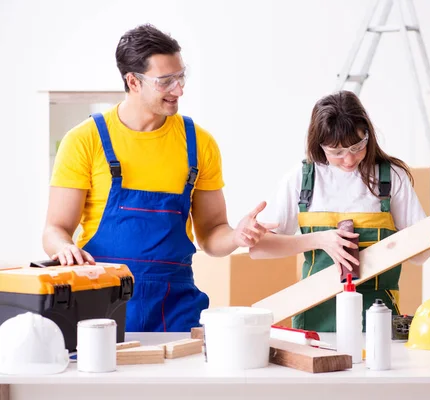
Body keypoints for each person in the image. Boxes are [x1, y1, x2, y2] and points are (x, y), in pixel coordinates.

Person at [42, 24, 276, 333]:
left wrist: (236, 236)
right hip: (100, 305)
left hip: (175, 306)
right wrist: (63, 247)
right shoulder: (85, 140)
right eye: (166, 81)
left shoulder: (199, 144)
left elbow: (211, 234)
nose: (179, 89)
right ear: (133, 82)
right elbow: (54, 230)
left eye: (181, 77)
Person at [249, 90, 430, 332]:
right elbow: (259, 249)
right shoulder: (303, 178)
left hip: (377, 316)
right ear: (319, 145)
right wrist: (320, 240)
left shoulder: (391, 177)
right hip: (314, 317)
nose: (348, 159)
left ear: (368, 135)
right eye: (336, 152)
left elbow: (417, 256)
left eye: (357, 146)